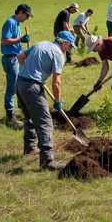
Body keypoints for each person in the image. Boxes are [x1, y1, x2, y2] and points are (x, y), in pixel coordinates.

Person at [16, 31, 77, 170]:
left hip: (19, 83)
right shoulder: (58, 54)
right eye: (70, 46)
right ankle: (47, 161)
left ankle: (30, 148)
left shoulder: (41, 43)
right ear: (64, 42)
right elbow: (56, 82)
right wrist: (57, 101)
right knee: (45, 122)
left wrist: (27, 72)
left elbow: (20, 57)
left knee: (30, 117)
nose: (70, 49)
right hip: (31, 87)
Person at [1, 4, 33, 129]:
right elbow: (4, 40)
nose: (27, 18)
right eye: (27, 15)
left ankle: (20, 110)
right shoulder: (10, 22)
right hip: (10, 59)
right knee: (12, 88)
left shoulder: (16, 23)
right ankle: (9, 118)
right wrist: (21, 40)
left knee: (20, 85)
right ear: (21, 12)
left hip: (17, 57)